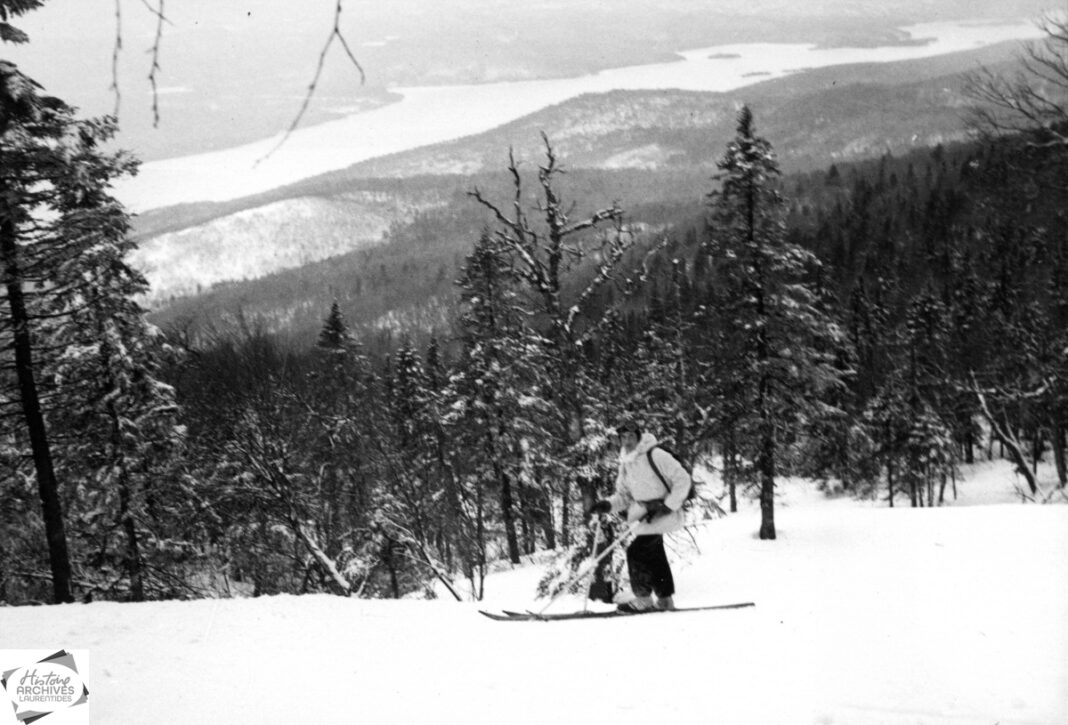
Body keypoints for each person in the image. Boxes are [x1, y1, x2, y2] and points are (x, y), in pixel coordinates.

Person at [589, 419, 691, 612]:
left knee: (636, 552)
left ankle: (643, 599)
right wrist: (608, 505)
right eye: (623, 437)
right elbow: (625, 496)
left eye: (631, 437)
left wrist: (667, 506)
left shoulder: (656, 455)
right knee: (655, 556)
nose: (627, 441)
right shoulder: (626, 463)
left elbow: (683, 479)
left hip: (663, 513)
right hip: (644, 517)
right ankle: (665, 600)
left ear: (639, 437)